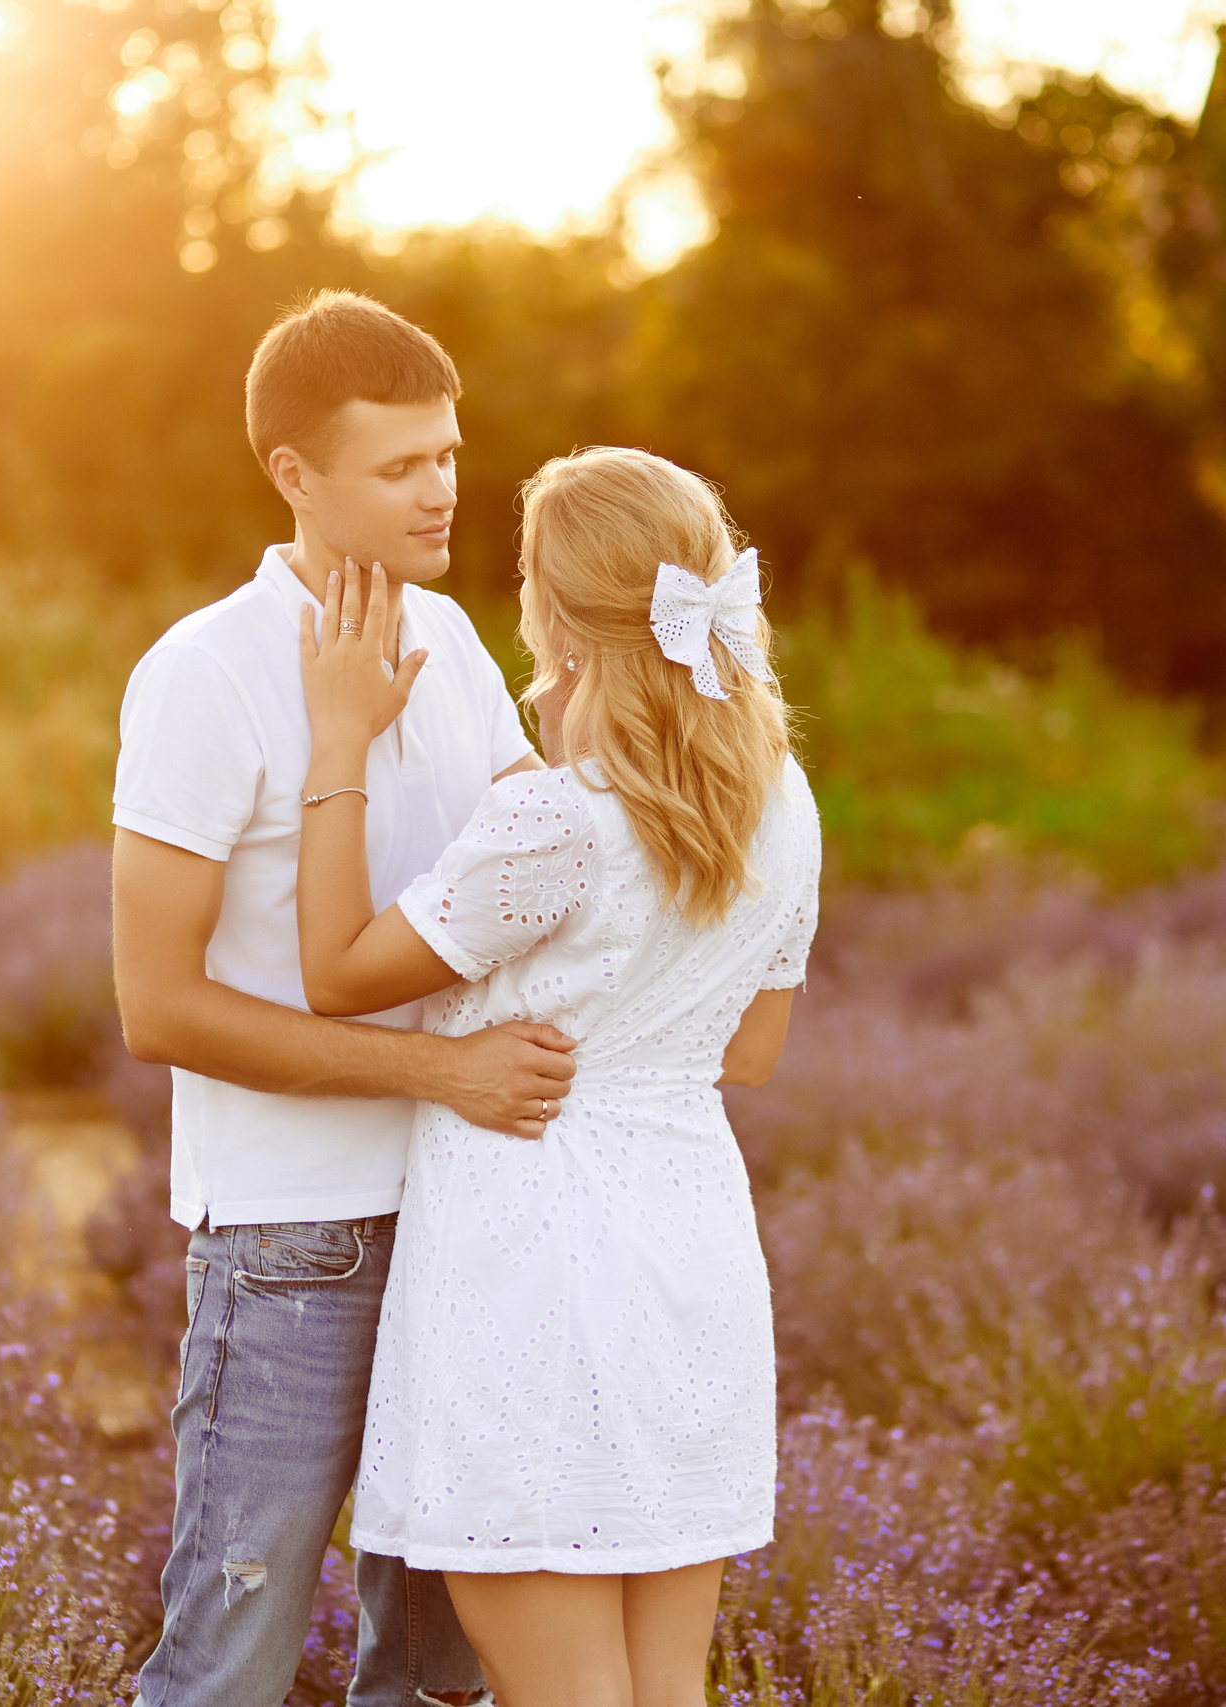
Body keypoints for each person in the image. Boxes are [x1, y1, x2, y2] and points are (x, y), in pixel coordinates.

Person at [292, 446, 818, 1707]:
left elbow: (334, 973)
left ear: (556, 616)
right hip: (689, 1260)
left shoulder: (558, 820)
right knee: (664, 1691)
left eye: (525, 574)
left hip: (531, 1273)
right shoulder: (782, 798)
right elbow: (749, 1052)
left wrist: (339, 736)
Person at [112, 289, 574, 1707]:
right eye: (400, 465)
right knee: (228, 1668)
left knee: (439, 1673)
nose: (444, 489)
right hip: (290, 1241)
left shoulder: (456, 648)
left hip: (468, 1214)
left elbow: (531, 892)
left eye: (447, 453)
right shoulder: (202, 673)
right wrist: (443, 1072)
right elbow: (160, 1011)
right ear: (294, 476)